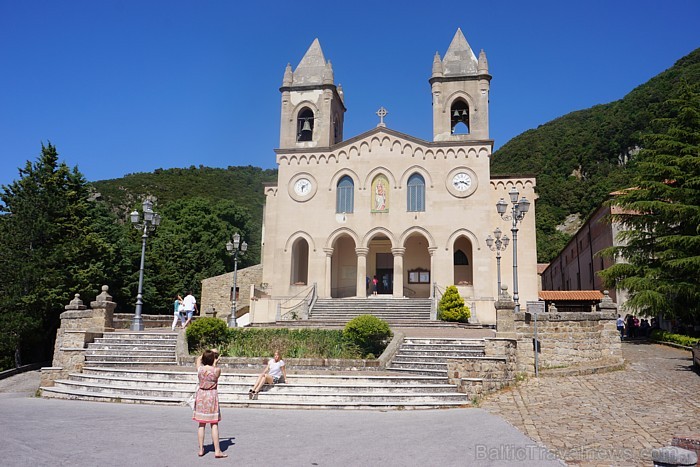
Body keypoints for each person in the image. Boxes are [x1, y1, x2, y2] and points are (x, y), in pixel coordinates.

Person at [193, 349, 227, 458]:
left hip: (201, 395)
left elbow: (198, 359)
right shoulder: (217, 370)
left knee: (201, 424)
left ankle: (201, 449)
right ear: (214, 359)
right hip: (212, 396)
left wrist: (207, 352)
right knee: (214, 424)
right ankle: (217, 450)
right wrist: (215, 361)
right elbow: (215, 371)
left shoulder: (200, 369)